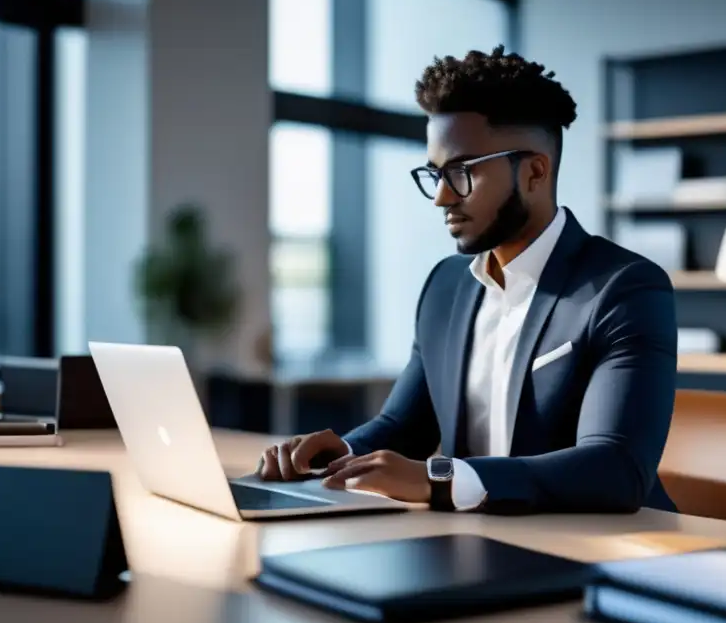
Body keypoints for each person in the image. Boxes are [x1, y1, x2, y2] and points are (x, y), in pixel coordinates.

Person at [259, 45, 678, 515]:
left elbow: (617, 468)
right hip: (475, 539)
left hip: (604, 550)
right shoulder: (446, 285)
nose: (441, 197)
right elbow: (404, 426)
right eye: (435, 174)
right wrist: (340, 459)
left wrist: (440, 479)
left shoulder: (624, 289)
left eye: (460, 173)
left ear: (535, 172)